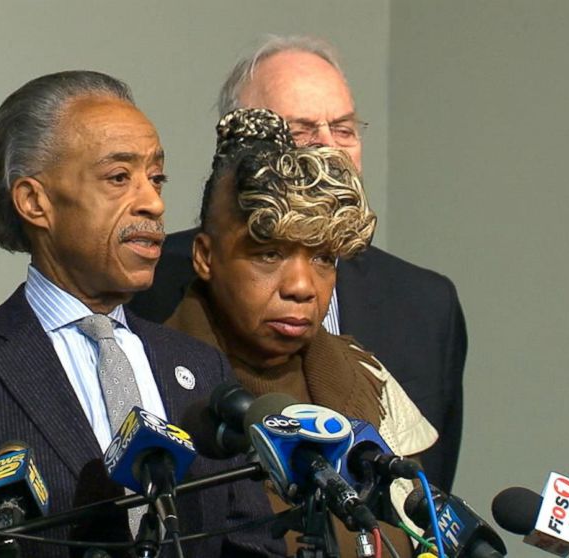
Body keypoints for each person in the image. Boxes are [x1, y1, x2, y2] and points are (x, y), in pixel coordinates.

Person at [0, 70, 285, 558]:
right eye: (118, 177)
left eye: (156, 177)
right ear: (35, 201)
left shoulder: (200, 368)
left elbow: (253, 546)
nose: (153, 202)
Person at [128, 35, 467, 492]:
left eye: (344, 130)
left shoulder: (426, 306)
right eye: (301, 133)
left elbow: (428, 500)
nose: (328, 150)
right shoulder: (141, 287)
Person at [168, 107, 436, 556]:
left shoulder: (368, 377)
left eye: (323, 259)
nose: (301, 287)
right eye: (269, 254)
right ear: (205, 257)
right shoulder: (146, 380)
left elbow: (421, 535)